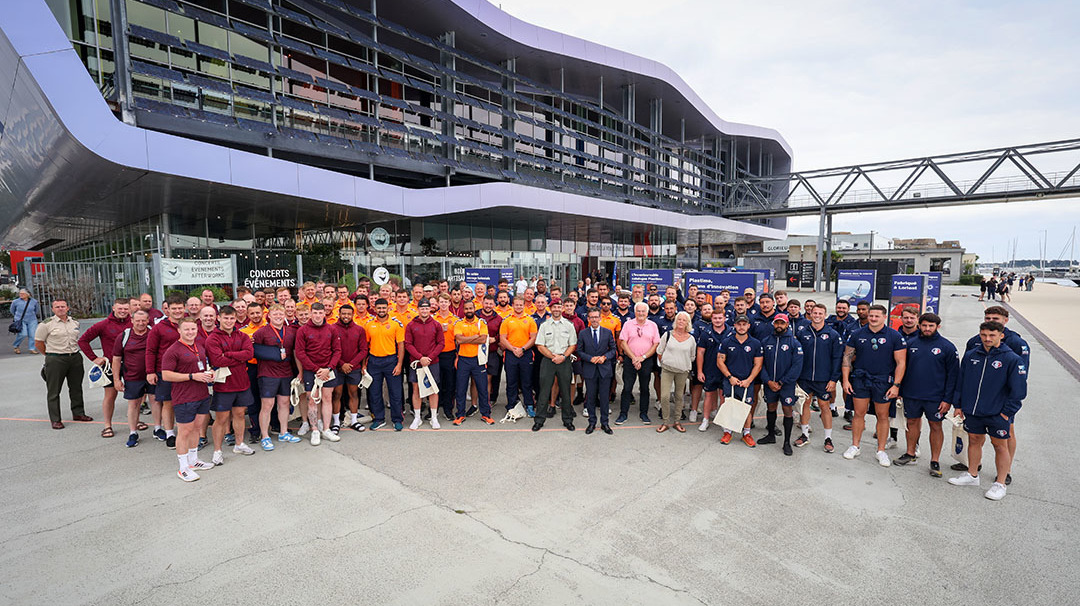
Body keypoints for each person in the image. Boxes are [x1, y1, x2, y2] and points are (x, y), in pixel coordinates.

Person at [948, 321, 1027, 500]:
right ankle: (972, 475)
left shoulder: (1012, 359)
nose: (987, 339)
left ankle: (1000, 483)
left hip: (997, 413)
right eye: (983, 335)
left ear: (1001, 335)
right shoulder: (970, 355)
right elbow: (961, 382)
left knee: (1000, 445)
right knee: (974, 441)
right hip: (973, 411)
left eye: (992, 335)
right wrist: (958, 405)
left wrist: (1006, 413)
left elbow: (1019, 391)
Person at [841, 304, 907, 467]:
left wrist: (896, 385)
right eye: (871, 315)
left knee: (882, 415)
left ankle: (881, 450)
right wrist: (845, 380)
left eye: (877, 316)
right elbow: (847, 358)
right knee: (858, 413)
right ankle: (855, 446)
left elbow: (901, 362)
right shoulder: (857, 334)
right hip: (860, 379)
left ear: (885, 317)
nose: (873, 318)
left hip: (883, 381)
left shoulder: (894, 336)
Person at [895, 312, 958, 476]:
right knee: (912, 423)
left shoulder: (947, 347)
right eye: (924, 325)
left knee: (935, 426)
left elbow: (953, 376)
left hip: (936, 398)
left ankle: (935, 460)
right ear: (919, 325)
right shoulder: (910, 344)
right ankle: (910, 453)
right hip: (912, 394)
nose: (927, 328)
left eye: (931, 326)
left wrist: (948, 399)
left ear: (938, 326)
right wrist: (900, 390)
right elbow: (902, 368)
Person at [161, 317, 215, 481]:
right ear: (179, 330)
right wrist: (192, 376)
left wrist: (209, 374)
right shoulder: (173, 350)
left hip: (202, 394)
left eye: (193, 329)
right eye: (186, 329)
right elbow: (166, 375)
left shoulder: (199, 346)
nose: (190, 332)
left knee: (197, 427)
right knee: (184, 431)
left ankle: (194, 460)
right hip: (184, 397)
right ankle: (183, 467)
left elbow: (203, 366)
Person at [205, 305, 260, 459]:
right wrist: (237, 356)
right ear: (219, 318)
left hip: (242, 382)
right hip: (223, 385)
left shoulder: (242, 336)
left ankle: (239, 444)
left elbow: (249, 354)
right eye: (226, 318)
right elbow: (217, 360)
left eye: (231, 318)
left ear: (236, 319)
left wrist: (228, 355)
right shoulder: (213, 338)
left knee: (240, 414)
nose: (229, 321)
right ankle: (217, 451)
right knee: (221, 418)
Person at [253, 303, 305, 452]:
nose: (278, 317)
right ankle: (265, 436)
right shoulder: (261, 332)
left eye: (281, 314)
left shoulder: (290, 332)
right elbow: (254, 351)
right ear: (268, 315)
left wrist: (300, 372)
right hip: (267, 374)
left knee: (284, 403)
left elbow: (295, 352)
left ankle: (284, 432)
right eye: (275, 314)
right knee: (267, 405)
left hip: (286, 373)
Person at [77, 297, 132, 438]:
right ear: (113, 308)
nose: (123, 311)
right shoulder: (103, 325)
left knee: (135, 397)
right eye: (120, 308)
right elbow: (83, 341)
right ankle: (107, 426)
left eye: (126, 308)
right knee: (110, 396)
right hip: (110, 366)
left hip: (132, 364)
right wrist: (94, 358)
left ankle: (135, 422)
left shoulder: (134, 323)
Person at [36, 298, 91, 429]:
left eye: (63, 306)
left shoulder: (74, 322)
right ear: (53, 309)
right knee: (54, 391)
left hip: (74, 358)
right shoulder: (46, 324)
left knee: (76, 387)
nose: (60, 309)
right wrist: (49, 355)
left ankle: (78, 413)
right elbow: (38, 342)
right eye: (57, 307)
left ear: (67, 308)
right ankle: (55, 419)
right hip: (56, 358)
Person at [794, 304, 842, 452]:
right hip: (804, 378)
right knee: (805, 405)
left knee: (824, 407)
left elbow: (837, 358)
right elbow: (796, 356)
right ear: (810, 314)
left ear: (825, 315)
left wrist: (833, 379)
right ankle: (804, 434)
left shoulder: (833, 335)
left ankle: (828, 438)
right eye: (815, 313)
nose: (817, 315)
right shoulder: (802, 332)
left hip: (823, 379)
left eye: (820, 313)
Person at [294, 302, 343, 442]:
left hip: (328, 370)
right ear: (310, 313)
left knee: (327, 398)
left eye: (320, 313)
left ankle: (326, 429)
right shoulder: (302, 331)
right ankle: (314, 430)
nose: (317, 316)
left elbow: (337, 350)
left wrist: (329, 368)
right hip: (311, 371)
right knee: (312, 400)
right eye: (314, 313)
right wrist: (316, 369)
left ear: (324, 313)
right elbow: (300, 353)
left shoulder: (331, 329)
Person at [757, 314, 804, 455]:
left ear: (787, 324)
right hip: (770, 383)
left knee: (787, 410)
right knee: (771, 407)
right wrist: (768, 381)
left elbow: (797, 365)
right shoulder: (766, 341)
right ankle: (771, 435)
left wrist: (783, 381)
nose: (779, 325)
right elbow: (761, 364)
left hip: (786, 385)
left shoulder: (794, 342)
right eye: (777, 323)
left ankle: (786, 442)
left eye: (782, 323)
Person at [146, 293, 187, 448]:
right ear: (167, 310)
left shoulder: (190, 324)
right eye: (173, 308)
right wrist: (150, 371)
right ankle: (170, 433)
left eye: (180, 308)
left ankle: (188, 432)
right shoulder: (159, 328)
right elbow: (150, 351)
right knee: (168, 403)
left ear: (185, 308)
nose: (177, 311)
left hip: (188, 371)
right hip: (166, 372)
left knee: (187, 402)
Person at [531, 299, 577, 431]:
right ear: (550, 309)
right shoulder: (545, 325)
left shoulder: (569, 325)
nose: (556, 309)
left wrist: (562, 356)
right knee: (544, 391)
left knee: (566, 392)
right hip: (548, 360)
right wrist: (553, 357)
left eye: (558, 306)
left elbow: (572, 344)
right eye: (554, 307)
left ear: (561, 308)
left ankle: (568, 420)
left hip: (564, 360)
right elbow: (540, 344)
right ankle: (539, 420)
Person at [716, 315, 762, 445]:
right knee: (729, 405)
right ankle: (727, 432)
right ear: (734, 326)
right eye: (739, 324)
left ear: (748, 326)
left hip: (747, 381)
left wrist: (749, 380)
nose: (741, 327)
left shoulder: (755, 343)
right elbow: (720, 361)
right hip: (730, 380)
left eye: (744, 324)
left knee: (746, 407)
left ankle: (746, 433)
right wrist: (730, 377)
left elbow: (758, 364)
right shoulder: (726, 342)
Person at [111, 309, 153, 447]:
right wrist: (116, 379)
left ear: (148, 321)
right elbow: (116, 359)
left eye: (143, 320)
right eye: (138, 320)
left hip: (152, 375)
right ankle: (133, 432)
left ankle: (158, 428)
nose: (141, 323)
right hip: (132, 377)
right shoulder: (124, 336)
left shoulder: (153, 333)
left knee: (156, 402)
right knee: (133, 404)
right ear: (132, 321)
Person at [364, 298, 406, 431]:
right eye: (379, 308)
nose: (381, 310)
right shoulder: (369, 324)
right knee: (374, 392)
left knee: (395, 392)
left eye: (384, 308)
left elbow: (401, 345)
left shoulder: (395, 324)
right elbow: (365, 346)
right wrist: (364, 365)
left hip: (391, 361)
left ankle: (397, 419)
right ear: (374, 309)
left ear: (388, 308)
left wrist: (399, 364)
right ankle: (379, 419)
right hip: (374, 361)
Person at [617, 302, 660, 425]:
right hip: (630, 360)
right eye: (638, 311)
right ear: (635, 312)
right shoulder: (628, 324)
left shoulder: (653, 325)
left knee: (645, 388)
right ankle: (623, 414)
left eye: (643, 311)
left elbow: (655, 344)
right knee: (627, 388)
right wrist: (634, 358)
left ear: (647, 313)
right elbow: (623, 342)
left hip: (646, 361)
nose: (641, 313)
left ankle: (644, 413)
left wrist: (643, 357)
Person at [405, 298, 444, 429]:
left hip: (432, 363)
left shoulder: (436, 325)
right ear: (418, 309)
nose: (424, 310)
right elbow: (408, 344)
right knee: (416, 390)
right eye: (422, 308)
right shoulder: (411, 325)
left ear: (430, 309)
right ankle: (417, 418)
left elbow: (441, 344)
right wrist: (420, 358)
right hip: (416, 363)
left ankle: (434, 417)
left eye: (427, 308)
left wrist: (429, 358)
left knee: (433, 390)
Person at [453, 300, 492, 425]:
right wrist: (475, 336)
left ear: (474, 309)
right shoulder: (459, 323)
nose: (469, 311)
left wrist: (467, 339)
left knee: (482, 388)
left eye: (471, 308)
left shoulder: (481, 323)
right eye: (466, 309)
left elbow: (483, 339)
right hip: (463, 359)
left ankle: (486, 414)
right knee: (460, 388)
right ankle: (460, 414)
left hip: (478, 360)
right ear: (463, 310)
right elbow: (458, 340)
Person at [655, 311, 695, 433]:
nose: (681, 322)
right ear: (675, 321)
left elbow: (692, 356)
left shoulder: (691, 339)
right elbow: (659, 351)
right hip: (667, 370)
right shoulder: (667, 335)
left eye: (684, 320)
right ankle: (666, 422)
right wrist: (666, 363)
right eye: (679, 319)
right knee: (665, 396)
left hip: (682, 371)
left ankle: (677, 421)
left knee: (679, 397)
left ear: (688, 323)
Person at [332, 304, 370, 431]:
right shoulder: (332, 328)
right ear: (339, 314)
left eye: (349, 314)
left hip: (354, 368)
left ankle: (354, 420)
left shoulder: (359, 330)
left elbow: (363, 350)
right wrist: (341, 364)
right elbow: (331, 349)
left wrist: (351, 364)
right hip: (338, 368)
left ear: (353, 315)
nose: (346, 316)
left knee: (353, 394)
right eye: (344, 314)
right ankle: (337, 422)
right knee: (337, 394)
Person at [579, 308, 616, 434]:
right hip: (590, 370)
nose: (594, 319)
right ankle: (592, 423)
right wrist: (590, 358)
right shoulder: (583, 333)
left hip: (604, 370)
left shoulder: (607, 332)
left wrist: (604, 357)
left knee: (605, 398)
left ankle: (605, 423)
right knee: (591, 398)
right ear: (588, 319)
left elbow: (613, 349)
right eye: (591, 317)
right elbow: (579, 351)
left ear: (600, 318)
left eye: (596, 317)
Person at [500, 296, 538, 416]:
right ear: (513, 305)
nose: (519, 307)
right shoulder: (506, 320)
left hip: (525, 353)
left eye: (521, 305)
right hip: (511, 353)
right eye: (516, 304)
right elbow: (502, 338)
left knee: (527, 382)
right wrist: (513, 349)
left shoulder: (530, 320)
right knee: (511, 382)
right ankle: (511, 405)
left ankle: (529, 405)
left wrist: (522, 349)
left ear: (524, 305)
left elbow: (533, 337)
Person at [696, 311, 733, 432]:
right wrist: (700, 371)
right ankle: (705, 420)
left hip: (725, 371)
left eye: (720, 318)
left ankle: (722, 421)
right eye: (715, 318)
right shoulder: (706, 333)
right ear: (711, 319)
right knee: (708, 396)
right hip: (710, 370)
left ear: (724, 318)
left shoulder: (731, 332)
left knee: (723, 397)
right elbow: (700, 352)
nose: (717, 320)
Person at [433, 294, 459, 418]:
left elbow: (458, 339)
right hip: (435, 355)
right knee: (436, 383)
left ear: (449, 303)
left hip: (450, 354)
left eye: (446, 302)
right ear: (438, 303)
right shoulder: (433, 318)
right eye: (441, 302)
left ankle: (448, 410)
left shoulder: (455, 319)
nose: (443, 304)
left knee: (449, 384)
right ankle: (435, 409)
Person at [476, 295, 504, 411]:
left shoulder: (498, 318)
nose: (488, 306)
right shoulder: (476, 315)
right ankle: (477, 401)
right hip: (476, 352)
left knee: (489, 378)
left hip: (492, 352)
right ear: (482, 303)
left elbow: (502, 334)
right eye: (486, 303)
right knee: (477, 378)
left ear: (494, 305)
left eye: (490, 304)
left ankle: (486, 401)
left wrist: (496, 339)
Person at [11, 288, 40, 354]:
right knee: (23, 334)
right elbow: (12, 310)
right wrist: (17, 317)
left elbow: (36, 310)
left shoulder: (34, 301)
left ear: (28, 294)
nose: (21, 295)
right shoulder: (15, 302)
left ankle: (32, 348)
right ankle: (16, 345)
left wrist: (32, 315)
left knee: (32, 335)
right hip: (20, 320)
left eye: (23, 294)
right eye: (20, 293)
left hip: (32, 319)